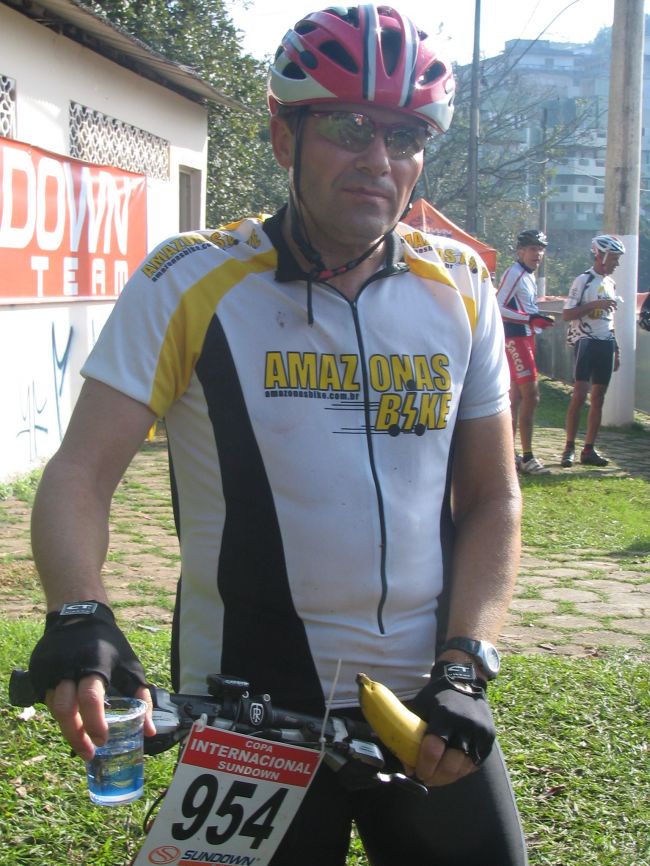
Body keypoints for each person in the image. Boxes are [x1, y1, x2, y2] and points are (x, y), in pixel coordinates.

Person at [25, 6, 527, 864]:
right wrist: (80, 612)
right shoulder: (188, 279)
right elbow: (79, 474)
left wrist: (466, 665)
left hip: (424, 703)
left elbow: (491, 497)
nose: (379, 160)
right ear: (283, 136)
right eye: (349, 126)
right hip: (247, 710)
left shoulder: (466, 289)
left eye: (405, 136)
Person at [560, 234, 625, 467]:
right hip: (585, 340)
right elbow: (567, 314)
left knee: (598, 397)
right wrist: (594, 305)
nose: (617, 263)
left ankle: (588, 449)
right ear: (600, 255)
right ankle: (568, 447)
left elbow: (611, 318)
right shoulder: (583, 280)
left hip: (605, 342)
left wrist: (616, 347)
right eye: (614, 258)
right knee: (579, 394)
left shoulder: (611, 283)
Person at [496, 229, 555, 475]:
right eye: (533, 249)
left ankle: (508, 455)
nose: (538, 254)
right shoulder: (515, 273)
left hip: (525, 337)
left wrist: (535, 318)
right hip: (516, 339)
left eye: (541, 249)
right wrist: (529, 317)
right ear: (520, 251)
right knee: (532, 396)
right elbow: (497, 305)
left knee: (516, 399)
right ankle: (527, 457)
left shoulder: (527, 276)